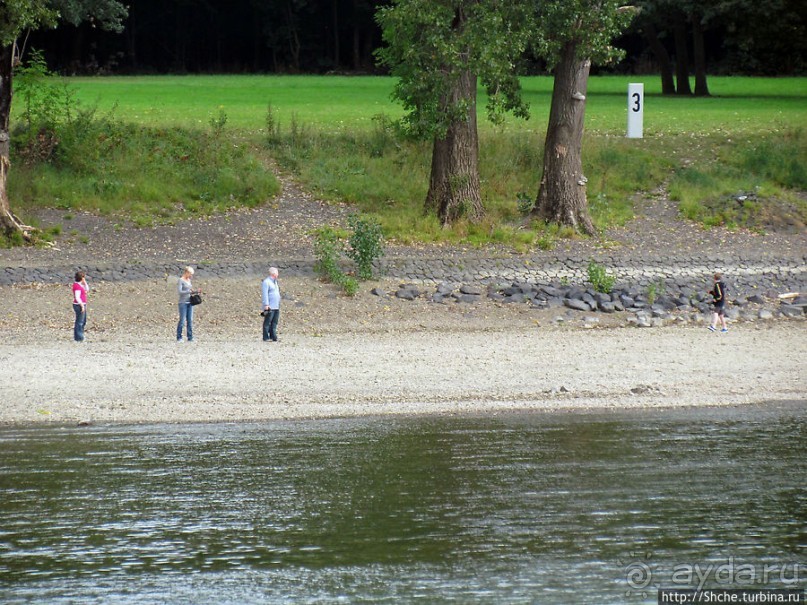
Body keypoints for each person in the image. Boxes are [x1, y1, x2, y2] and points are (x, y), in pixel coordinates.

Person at [177, 266, 197, 342]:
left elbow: (190, 290)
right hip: (183, 303)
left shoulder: (189, 280)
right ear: (186, 272)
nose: (191, 276)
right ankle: (179, 337)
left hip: (190, 302)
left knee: (190, 320)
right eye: (190, 274)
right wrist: (189, 292)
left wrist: (195, 292)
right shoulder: (181, 280)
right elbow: (180, 292)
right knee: (182, 320)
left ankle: (190, 337)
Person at [261, 267, 281, 342]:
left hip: (276, 305)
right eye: (277, 272)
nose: (278, 274)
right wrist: (266, 304)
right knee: (267, 322)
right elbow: (265, 294)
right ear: (274, 273)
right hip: (270, 306)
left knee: (274, 322)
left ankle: (273, 336)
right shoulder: (266, 282)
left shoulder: (275, 282)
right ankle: (266, 337)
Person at [72, 271, 89, 342]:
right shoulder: (77, 286)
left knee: (83, 321)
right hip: (78, 305)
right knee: (80, 321)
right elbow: (77, 297)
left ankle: (80, 335)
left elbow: (87, 290)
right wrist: (82, 306)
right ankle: (79, 337)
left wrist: (85, 283)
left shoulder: (80, 285)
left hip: (82, 304)